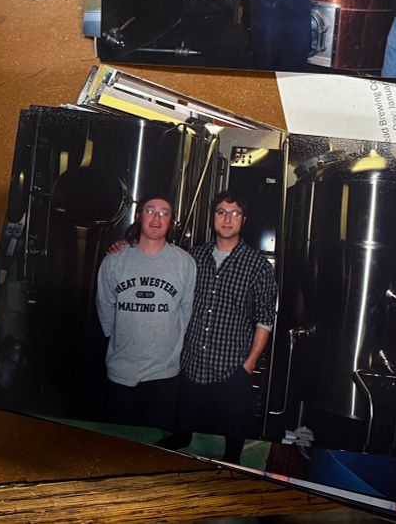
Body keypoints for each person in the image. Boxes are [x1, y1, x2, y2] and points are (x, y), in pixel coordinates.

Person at [177, 191, 278, 463]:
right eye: (221, 212)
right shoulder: (193, 257)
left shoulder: (257, 266)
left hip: (231, 369)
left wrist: (249, 365)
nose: (227, 219)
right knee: (182, 434)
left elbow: (265, 319)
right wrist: (126, 244)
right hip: (191, 364)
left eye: (235, 213)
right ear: (213, 217)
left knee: (232, 444)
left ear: (243, 220)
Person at [95, 195, 196, 430]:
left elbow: (186, 310)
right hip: (120, 372)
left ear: (171, 221)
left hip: (164, 374)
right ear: (139, 216)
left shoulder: (185, 263)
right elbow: (105, 306)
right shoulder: (114, 261)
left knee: (156, 442)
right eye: (150, 211)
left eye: (164, 213)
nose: (156, 218)